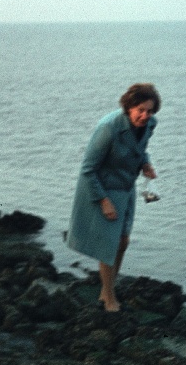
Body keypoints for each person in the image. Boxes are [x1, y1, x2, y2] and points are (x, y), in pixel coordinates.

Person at [67, 83, 160, 312]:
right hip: (102, 189)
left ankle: (106, 290)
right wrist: (103, 201)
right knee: (109, 244)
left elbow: (140, 148)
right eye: (140, 110)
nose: (144, 116)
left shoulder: (150, 125)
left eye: (149, 111)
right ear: (128, 107)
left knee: (123, 242)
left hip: (127, 189)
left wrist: (145, 163)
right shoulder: (108, 128)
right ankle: (109, 296)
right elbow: (88, 169)